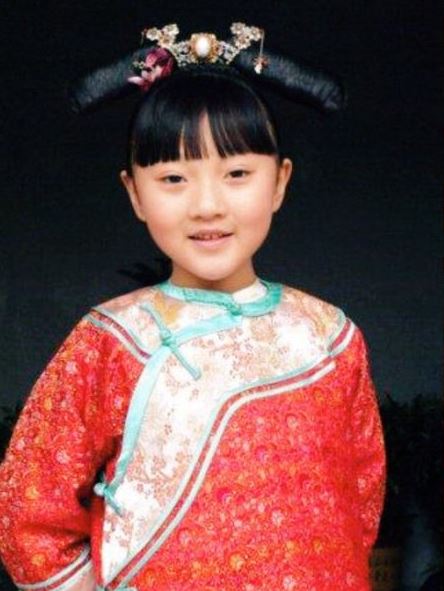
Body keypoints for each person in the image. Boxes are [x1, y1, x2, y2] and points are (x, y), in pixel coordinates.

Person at [0, 22, 385, 591]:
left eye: (237, 174)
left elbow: (359, 506)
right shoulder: (110, 341)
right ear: (135, 192)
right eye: (174, 178)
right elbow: (27, 513)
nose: (207, 205)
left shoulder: (330, 337)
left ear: (279, 182)